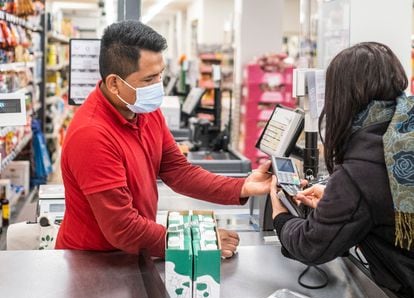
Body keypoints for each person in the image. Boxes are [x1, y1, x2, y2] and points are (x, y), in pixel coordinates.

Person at [55, 20, 272, 259]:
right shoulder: (92, 134)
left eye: (160, 75)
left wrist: (242, 186)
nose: (158, 86)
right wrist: (199, 241)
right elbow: (123, 228)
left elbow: (178, 172)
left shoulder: (144, 110)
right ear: (114, 83)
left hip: (133, 255)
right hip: (93, 263)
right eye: (148, 80)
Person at [270, 42, 414, 298]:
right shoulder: (404, 126)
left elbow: (311, 245)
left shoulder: (361, 166)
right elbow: (386, 200)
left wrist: (279, 215)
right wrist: (335, 199)